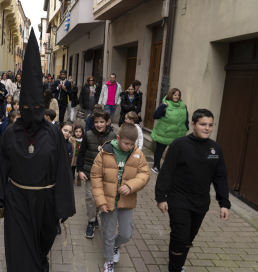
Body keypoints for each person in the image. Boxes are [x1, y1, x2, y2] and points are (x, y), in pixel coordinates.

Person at [0, 30, 75, 272]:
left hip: (46, 201)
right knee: (18, 253)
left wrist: (63, 205)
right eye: (26, 106)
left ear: (44, 106)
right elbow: (0, 168)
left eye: (37, 106)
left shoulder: (54, 133)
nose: (31, 110)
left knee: (40, 248)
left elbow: (62, 170)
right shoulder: (10, 133)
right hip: (17, 200)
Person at [155, 109, 231, 272]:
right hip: (178, 199)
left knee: (189, 238)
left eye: (210, 125)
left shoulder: (215, 149)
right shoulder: (179, 144)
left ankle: (179, 261)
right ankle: (174, 268)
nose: (207, 128)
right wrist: (161, 197)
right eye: (203, 124)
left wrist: (224, 203)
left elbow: (220, 177)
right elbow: (166, 172)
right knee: (180, 237)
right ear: (193, 125)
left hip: (201, 202)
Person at [91, 123, 150, 272]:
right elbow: (96, 177)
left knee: (126, 234)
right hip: (107, 202)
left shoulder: (138, 154)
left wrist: (131, 185)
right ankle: (109, 261)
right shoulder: (105, 152)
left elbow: (145, 174)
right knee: (108, 234)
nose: (129, 146)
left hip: (126, 201)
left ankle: (115, 246)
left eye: (132, 143)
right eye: (126, 143)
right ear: (118, 138)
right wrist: (100, 201)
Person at [77, 109, 116, 239]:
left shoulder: (113, 136)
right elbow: (81, 153)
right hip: (89, 172)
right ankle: (91, 221)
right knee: (90, 198)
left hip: (105, 174)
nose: (99, 124)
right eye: (96, 122)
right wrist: (80, 170)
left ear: (107, 122)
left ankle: (96, 217)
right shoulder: (88, 135)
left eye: (102, 122)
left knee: (101, 197)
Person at [151, 88, 189, 174]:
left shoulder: (183, 106)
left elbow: (186, 118)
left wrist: (186, 127)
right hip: (164, 133)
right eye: (175, 95)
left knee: (174, 152)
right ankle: (156, 166)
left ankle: (169, 168)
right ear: (170, 95)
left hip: (177, 133)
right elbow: (155, 116)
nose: (177, 97)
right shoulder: (165, 105)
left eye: (178, 95)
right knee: (159, 150)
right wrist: (162, 107)